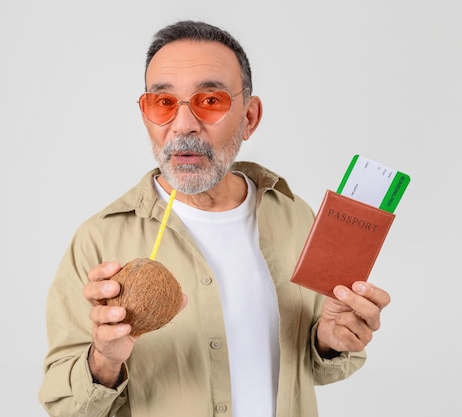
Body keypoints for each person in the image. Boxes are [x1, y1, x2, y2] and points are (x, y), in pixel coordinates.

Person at [38, 20, 391, 417]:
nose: (184, 125)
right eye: (163, 102)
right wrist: (103, 360)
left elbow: (314, 368)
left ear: (250, 118)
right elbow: (65, 406)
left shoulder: (294, 216)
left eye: (210, 101)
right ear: (146, 116)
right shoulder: (98, 241)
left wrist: (330, 340)